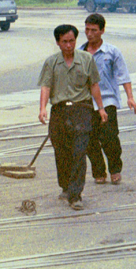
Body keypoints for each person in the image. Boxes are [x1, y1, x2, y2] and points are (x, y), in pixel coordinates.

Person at [38, 24, 108, 211]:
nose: (69, 45)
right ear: (58, 43)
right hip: (60, 112)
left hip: (82, 110)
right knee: (62, 152)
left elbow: (94, 85)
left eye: (72, 41)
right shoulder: (51, 62)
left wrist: (100, 108)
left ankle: (76, 195)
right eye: (64, 42)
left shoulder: (86, 60)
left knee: (79, 153)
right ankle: (66, 186)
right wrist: (42, 108)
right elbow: (45, 86)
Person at [81, 14, 136, 186]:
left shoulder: (112, 52)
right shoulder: (80, 53)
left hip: (108, 101)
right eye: (87, 29)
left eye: (93, 30)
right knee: (89, 140)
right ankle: (99, 171)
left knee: (109, 137)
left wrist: (130, 97)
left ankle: (115, 168)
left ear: (102, 31)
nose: (89, 34)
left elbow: (123, 75)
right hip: (86, 103)